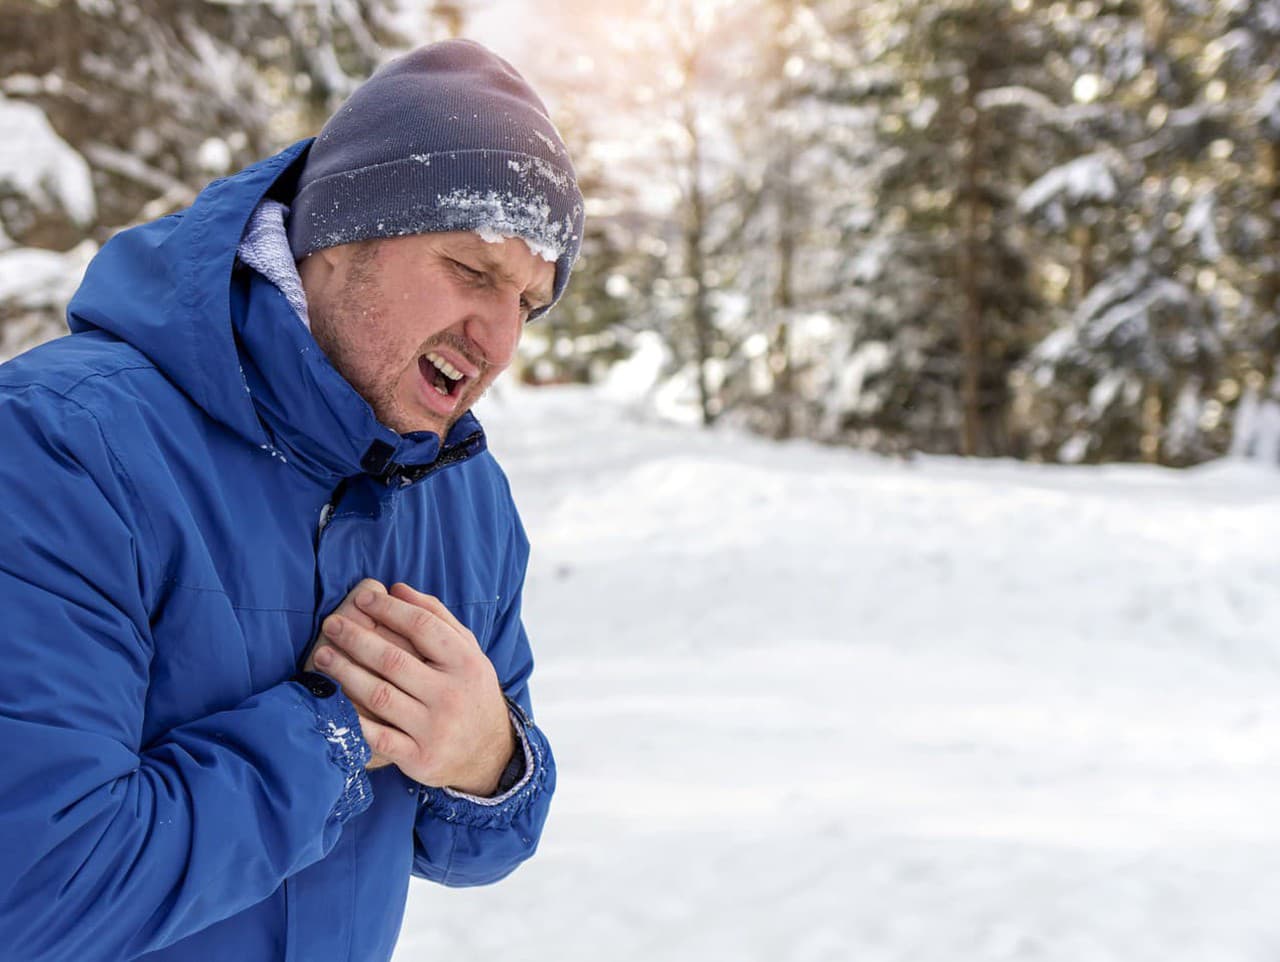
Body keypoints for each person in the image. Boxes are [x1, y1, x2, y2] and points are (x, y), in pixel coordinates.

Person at [0, 39, 581, 962]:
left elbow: (475, 843)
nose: (500, 340)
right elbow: (36, 888)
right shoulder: (61, 445)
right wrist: (332, 737)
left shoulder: (464, 496)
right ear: (339, 237)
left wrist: (489, 760)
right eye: (472, 271)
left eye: (529, 303)